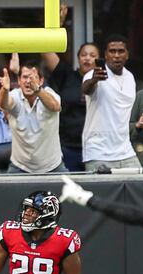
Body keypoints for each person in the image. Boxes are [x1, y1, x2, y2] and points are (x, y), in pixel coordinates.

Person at [41, 6, 98, 172]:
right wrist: (57, 23)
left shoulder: (104, 81)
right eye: (84, 55)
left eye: (93, 55)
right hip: (68, 147)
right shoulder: (67, 75)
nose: (88, 58)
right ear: (78, 58)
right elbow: (45, 50)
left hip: (96, 149)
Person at [81, 35, 141, 172]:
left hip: (126, 151)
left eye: (121, 51)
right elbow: (86, 89)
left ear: (127, 55)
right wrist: (94, 80)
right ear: (105, 55)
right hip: (98, 153)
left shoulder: (130, 77)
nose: (116, 55)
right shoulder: (94, 75)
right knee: (99, 194)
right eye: (112, 51)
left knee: (141, 187)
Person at [0, 61, 67, 174]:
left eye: (33, 77)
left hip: (53, 166)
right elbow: (3, 103)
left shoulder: (49, 94)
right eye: (25, 77)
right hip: (20, 167)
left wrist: (38, 89)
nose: (29, 81)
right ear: (19, 81)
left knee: (71, 190)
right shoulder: (15, 95)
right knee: (5, 191)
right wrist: (5, 89)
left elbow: (55, 106)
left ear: (41, 81)